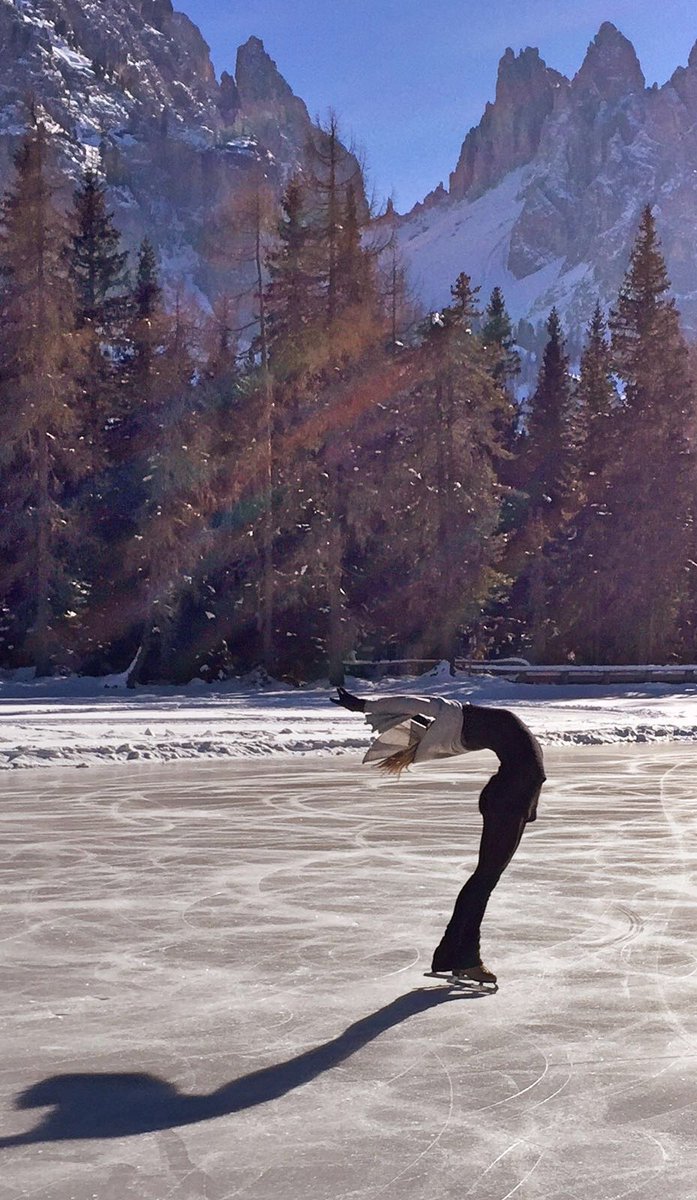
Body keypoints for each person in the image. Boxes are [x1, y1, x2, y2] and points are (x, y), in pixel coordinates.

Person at [331, 686, 546, 984]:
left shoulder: (457, 726)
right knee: (484, 879)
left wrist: (529, 805)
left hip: (513, 797)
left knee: (485, 879)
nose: (420, 718)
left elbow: (529, 765)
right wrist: (365, 705)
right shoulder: (451, 717)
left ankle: (452, 955)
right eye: (417, 723)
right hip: (508, 798)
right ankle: (465, 957)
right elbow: (410, 702)